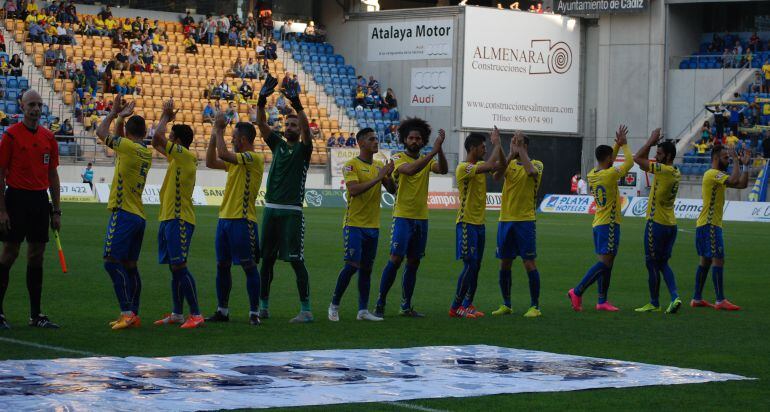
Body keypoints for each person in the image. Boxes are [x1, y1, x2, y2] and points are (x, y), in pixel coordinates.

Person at [252, 75, 314, 323]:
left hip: (291, 212)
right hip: (270, 210)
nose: (289, 128)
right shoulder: (277, 144)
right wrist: (260, 99)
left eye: (294, 126)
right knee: (266, 261)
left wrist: (298, 106)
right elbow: (261, 124)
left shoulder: (304, 149)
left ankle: (306, 310)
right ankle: (263, 305)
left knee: (296, 260)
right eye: (287, 125)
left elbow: (308, 131)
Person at [374, 118, 448, 318]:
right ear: (404, 140)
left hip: (422, 218)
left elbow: (443, 170)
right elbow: (410, 170)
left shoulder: (428, 159)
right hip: (403, 217)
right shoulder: (399, 158)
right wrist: (433, 151)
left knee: (414, 262)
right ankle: (380, 301)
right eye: (411, 138)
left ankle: (405, 306)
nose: (415, 141)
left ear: (423, 141)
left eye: (418, 138)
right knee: (396, 259)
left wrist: (439, 150)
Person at [0, 91, 61, 330]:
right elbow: (1, 173)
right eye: (31, 105)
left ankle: (36, 315)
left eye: (39, 105)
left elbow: (53, 175)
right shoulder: (11, 136)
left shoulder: (49, 137)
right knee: (10, 253)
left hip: (39, 200)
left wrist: (56, 211)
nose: (35, 109)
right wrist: (2, 210)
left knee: (37, 255)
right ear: (22, 106)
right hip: (15, 198)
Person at [328, 128, 396, 322]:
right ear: (361, 143)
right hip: (354, 224)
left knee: (366, 269)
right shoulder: (351, 165)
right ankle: (334, 305)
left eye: (376, 138)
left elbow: (392, 190)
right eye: (371, 139)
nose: (376, 142)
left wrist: (387, 175)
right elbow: (354, 190)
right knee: (351, 265)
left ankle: (363, 310)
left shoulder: (377, 166)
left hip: (373, 226)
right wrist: (379, 176)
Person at [95, 95, 152, 330]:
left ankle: (127, 312)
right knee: (130, 265)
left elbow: (101, 132)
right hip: (138, 214)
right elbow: (120, 137)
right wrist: (121, 118)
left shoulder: (126, 147)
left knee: (110, 261)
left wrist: (113, 114)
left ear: (128, 133)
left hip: (124, 212)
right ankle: (134, 314)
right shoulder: (144, 152)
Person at [204, 107, 265, 325]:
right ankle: (223, 310)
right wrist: (214, 133)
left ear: (244, 139)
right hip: (225, 219)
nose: (232, 140)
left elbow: (223, 154)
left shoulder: (253, 158)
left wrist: (219, 130)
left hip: (243, 220)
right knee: (222, 265)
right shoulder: (237, 161)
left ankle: (254, 312)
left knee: (249, 266)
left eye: (235, 138)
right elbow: (210, 161)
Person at [568, 125, 633, 312]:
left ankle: (602, 300)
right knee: (605, 263)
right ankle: (577, 291)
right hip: (609, 224)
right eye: (612, 158)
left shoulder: (592, 174)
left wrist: (616, 144)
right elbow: (629, 163)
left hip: (598, 223)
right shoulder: (610, 174)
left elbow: (608, 158)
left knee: (607, 263)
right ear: (608, 159)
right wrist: (624, 145)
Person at [151, 100, 204, 329]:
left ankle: (196, 314)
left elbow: (158, 135)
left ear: (179, 142)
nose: (168, 140)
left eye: (172, 137)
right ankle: (177, 313)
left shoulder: (184, 156)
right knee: (175, 267)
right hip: (169, 217)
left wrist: (165, 116)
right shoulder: (178, 157)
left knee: (180, 266)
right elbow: (156, 141)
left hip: (179, 218)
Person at [489, 131, 544, 318]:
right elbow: (496, 176)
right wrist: (512, 153)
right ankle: (506, 304)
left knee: (529, 263)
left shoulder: (536, 164)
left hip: (525, 221)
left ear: (525, 146)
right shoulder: (510, 163)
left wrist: (520, 151)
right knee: (505, 263)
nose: (513, 144)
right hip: (505, 220)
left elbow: (531, 173)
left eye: (517, 142)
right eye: (512, 142)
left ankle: (534, 306)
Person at [448, 128, 501, 319]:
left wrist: (509, 150)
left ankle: (467, 303)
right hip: (466, 223)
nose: (485, 150)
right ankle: (456, 307)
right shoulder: (464, 168)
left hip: (479, 224)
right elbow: (489, 166)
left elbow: (498, 165)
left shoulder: (480, 165)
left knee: (476, 266)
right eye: (482, 147)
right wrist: (497, 144)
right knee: (470, 265)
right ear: (472, 148)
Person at [691, 146, 750, 311]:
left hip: (705, 224)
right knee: (718, 259)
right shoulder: (712, 174)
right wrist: (737, 161)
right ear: (716, 159)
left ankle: (696, 298)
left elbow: (742, 184)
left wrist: (745, 166)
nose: (728, 161)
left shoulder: (718, 177)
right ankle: (720, 300)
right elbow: (733, 180)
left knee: (706, 261)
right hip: (710, 225)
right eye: (726, 158)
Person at [632, 129, 683, 314]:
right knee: (663, 264)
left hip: (656, 224)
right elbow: (644, 163)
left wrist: (650, 141)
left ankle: (654, 302)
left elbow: (637, 159)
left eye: (659, 153)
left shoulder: (663, 170)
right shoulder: (675, 171)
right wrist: (653, 146)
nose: (656, 155)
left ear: (668, 156)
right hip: (671, 224)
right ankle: (675, 296)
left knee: (651, 263)